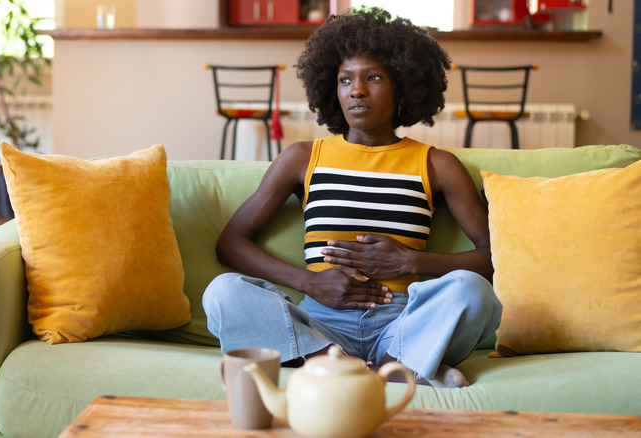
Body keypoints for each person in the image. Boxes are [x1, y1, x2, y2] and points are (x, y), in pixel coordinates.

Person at [202, 7, 502, 388]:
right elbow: (231, 243)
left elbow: (492, 255)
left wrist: (410, 260)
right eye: (345, 80)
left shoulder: (437, 165)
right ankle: (391, 370)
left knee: (473, 292)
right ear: (332, 88)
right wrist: (309, 283)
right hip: (320, 323)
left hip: (403, 320)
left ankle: (389, 363)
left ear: (403, 87)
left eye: (373, 78)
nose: (356, 90)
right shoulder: (302, 158)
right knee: (223, 292)